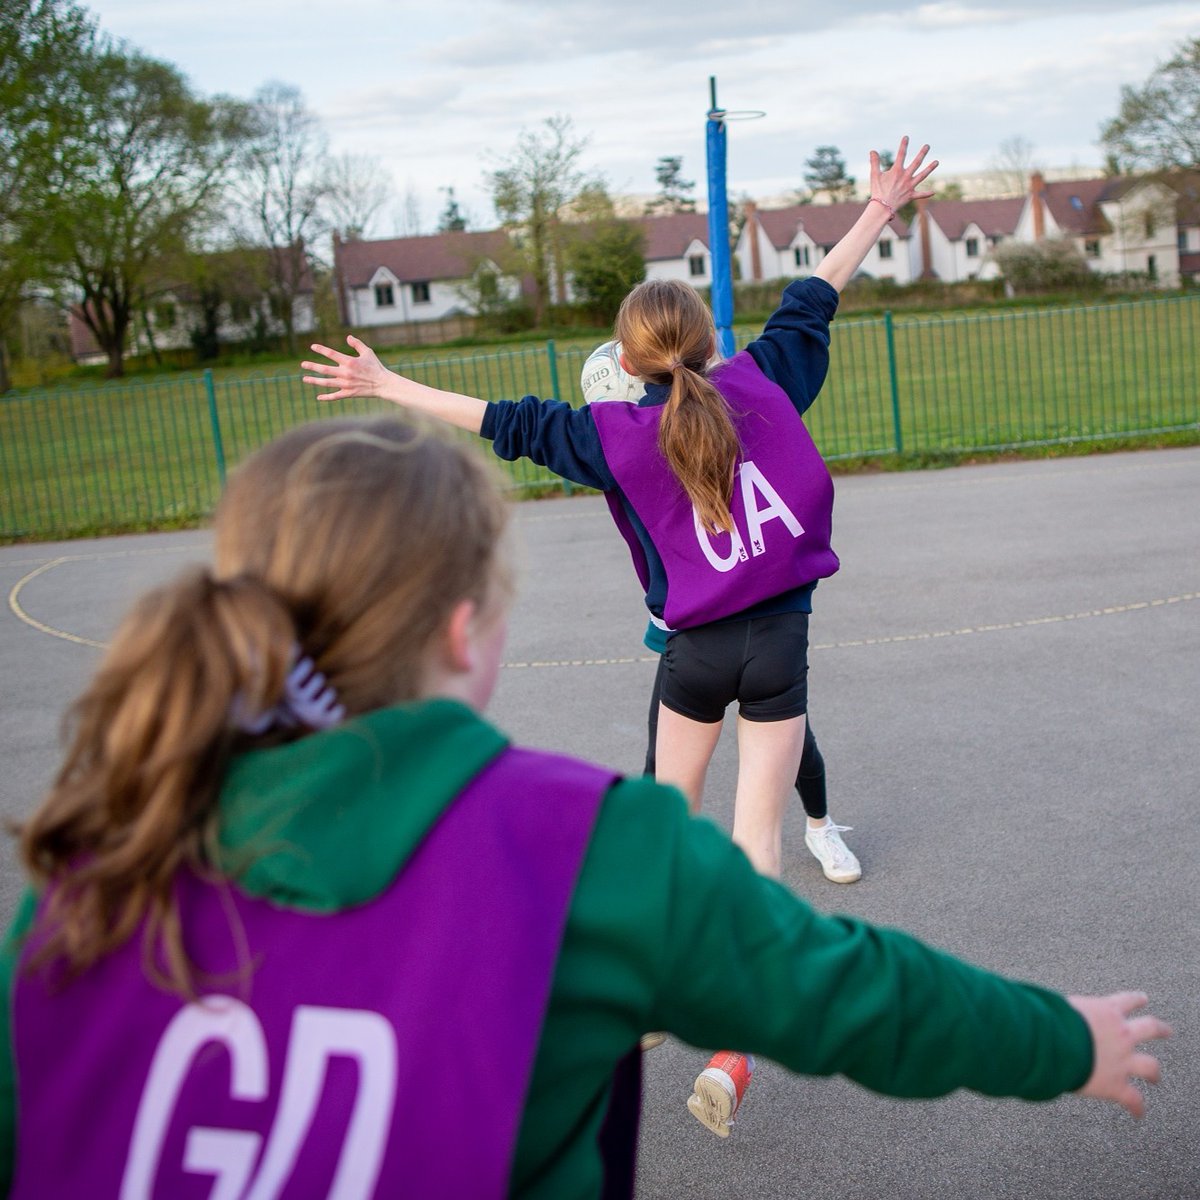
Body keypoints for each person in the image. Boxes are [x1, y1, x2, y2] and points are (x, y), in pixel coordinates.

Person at [0, 417, 1171, 1197]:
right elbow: (849, 992)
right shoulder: (580, 846)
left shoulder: (96, 870)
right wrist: (1066, 1039)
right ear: (467, 627)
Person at [302, 138, 932, 1132]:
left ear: (624, 363)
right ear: (706, 339)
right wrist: (880, 210)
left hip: (689, 655)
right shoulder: (767, 379)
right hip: (777, 650)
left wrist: (385, 384)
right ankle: (732, 1055)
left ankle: (634, 998)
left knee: (658, 834)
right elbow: (819, 289)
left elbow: (497, 418)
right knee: (753, 853)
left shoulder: (611, 436)